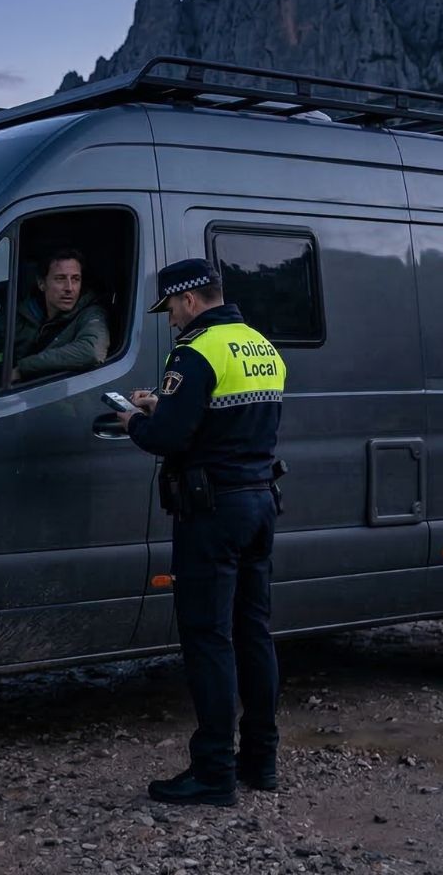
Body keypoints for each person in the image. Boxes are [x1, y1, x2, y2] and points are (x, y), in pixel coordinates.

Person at [113, 258, 286, 806]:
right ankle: (260, 760)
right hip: (260, 502)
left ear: (189, 301)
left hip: (213, 514)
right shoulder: (262, 346)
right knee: (253, 633)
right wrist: (165, 404)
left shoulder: (195, 352)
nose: (171, 321)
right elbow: (223, 420)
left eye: (171, 310)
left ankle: (213, 772)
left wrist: (135, 419)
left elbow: (169, 438)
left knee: (209, 639)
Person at [9, 248, 111, 383]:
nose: (69, 288)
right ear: (41, 283)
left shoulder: (91, 314)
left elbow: (92, 351)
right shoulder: (23, 314)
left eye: (75, 279)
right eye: (60, 279)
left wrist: (23, 368)